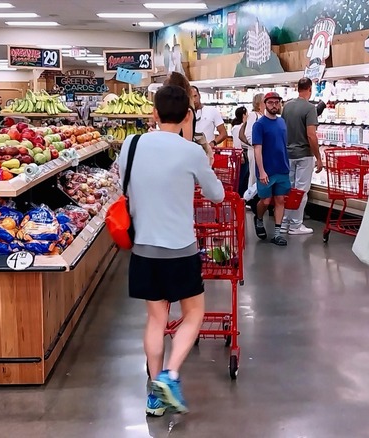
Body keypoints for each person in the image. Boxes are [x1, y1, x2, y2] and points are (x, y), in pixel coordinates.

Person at [117, 85, 225, 416]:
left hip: (144, 248)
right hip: (180, 249)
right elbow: (217, 194)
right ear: (188, 115)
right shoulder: (190, 151)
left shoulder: (131, 144)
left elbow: (125, 182)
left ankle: (153, 396)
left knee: (155, 319)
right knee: (193, 314)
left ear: (154, 113)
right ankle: (171, 375)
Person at [281, 77, 324, 235]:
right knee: (301, 191)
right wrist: (318, 157)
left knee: (288, 189)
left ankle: (284, 223)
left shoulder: (287, 106)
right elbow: (311, 135)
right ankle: (296, 225)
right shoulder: (309, 108)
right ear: (310, 89)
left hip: (288, 154)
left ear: (297, 88)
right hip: (304, 154)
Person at [252, 91, 291, 247]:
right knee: (266, 200)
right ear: (265, 104)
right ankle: (259, 218)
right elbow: (257, 149)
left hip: (282, 168)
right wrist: (261, 171)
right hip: (266, 170)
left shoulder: (282, 122)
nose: (274, 105)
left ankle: (277, 234)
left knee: (280, 199)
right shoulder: (259, 125)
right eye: (270, 102)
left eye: (277, 102)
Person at [240, 93, 264, 191]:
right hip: (255, 150)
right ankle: (249, 198)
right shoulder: (254, 115)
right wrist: (256, 145)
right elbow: (248, 133)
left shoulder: (263, 115)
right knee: (254, 176)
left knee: (258, 175)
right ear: (259, 103)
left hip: (259, 151)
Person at [191, 86, 228, 150]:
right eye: (191, 97)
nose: (194, 100)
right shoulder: (186, 114)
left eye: (195, 96)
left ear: (199, 96)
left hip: (209, 152)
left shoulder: (212, 111)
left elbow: (223, 133)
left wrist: (213, 143)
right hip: (192, 152)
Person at [231, 106, 251, 195]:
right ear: (244, 115)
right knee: (241, 176)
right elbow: (237, 142)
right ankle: (237, 195)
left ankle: (243, 195)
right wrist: (241, 155)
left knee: (246, 176)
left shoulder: (243, 126)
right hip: (241, 154)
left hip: (245, 153)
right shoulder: (237, 128)